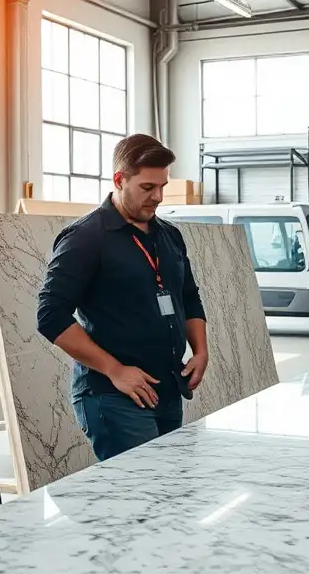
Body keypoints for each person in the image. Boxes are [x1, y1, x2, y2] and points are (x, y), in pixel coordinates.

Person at [36, 134, 208, 460]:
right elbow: (50, 316)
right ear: (120, 179)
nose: (158, 197)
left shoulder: (169, 235)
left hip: (167, 389)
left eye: (162, 186)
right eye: (147, 188)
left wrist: (201, 351)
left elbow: (189, 295)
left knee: (170, 490)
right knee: (139, 499)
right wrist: (114, 370)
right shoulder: (86, 237)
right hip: (114, 395)